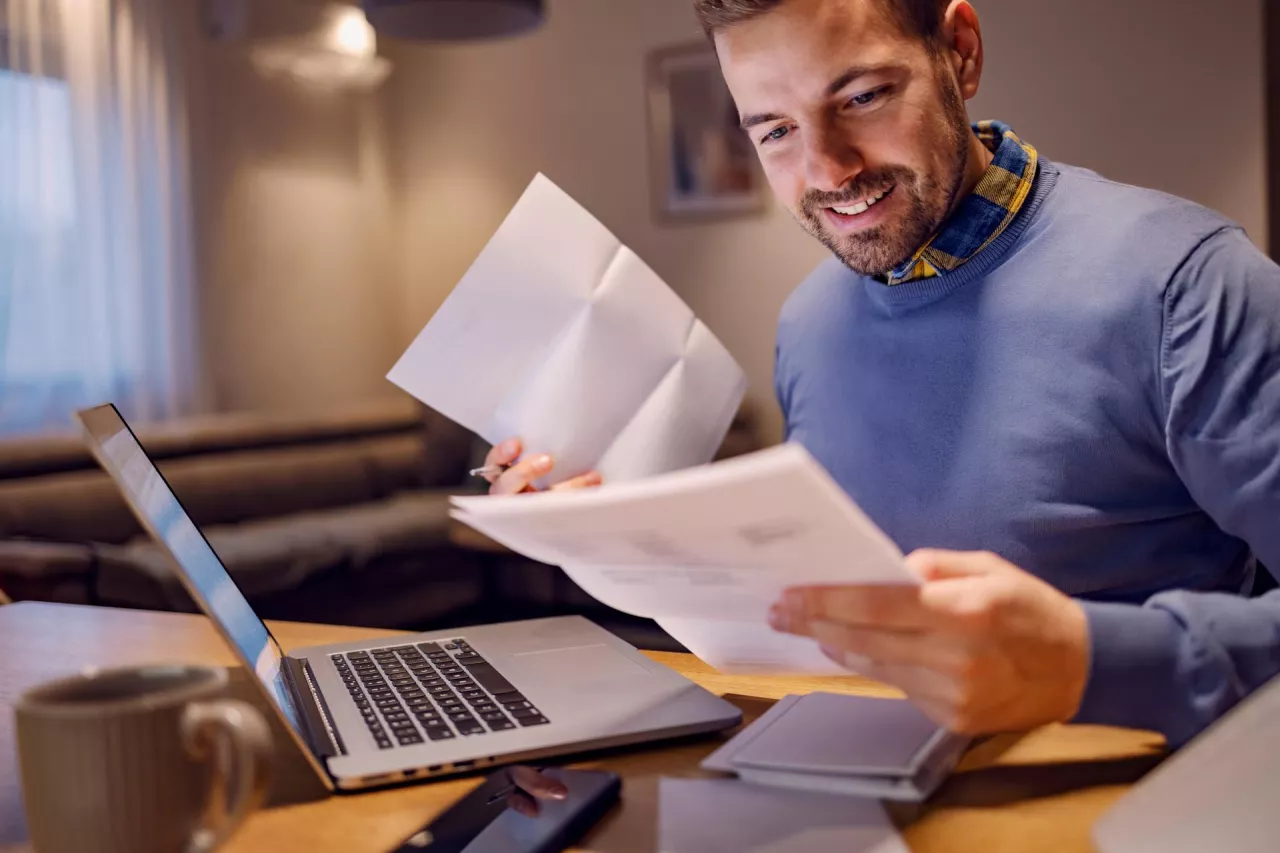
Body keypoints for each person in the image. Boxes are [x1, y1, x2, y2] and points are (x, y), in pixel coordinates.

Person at [483, 0, 1280, 750]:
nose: (827, 168)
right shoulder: (806, 323)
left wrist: (1086, 661)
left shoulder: (1188, 285)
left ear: (959, 53)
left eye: (861, 97)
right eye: (775, 131)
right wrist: (606, 534)